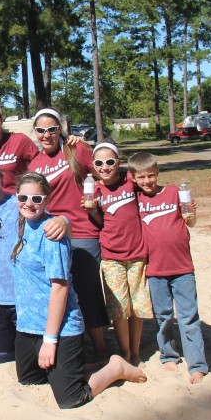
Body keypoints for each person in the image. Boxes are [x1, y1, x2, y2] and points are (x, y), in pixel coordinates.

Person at [10, 172, 147, 409]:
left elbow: (60, 288)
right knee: (30, 378)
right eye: (23, 197)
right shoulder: (22, 223)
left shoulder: (52, 233)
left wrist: (50, 340)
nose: (29, 203)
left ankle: (115, 368)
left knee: (70, 398)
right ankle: (84, 366)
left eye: (37, 199)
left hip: (59, 328)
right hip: (28, 324)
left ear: (47, 200)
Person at [0, 156, 68, 363]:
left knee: (33, 358)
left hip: (25, 298)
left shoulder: (18, 203)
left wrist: (63, 220)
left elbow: (47, 218)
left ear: (2, 176)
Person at [28, 108, 108, 358]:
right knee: (59, 290)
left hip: (83, 231)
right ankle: (72, 344)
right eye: (41, 130)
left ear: (60, 131)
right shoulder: (36, 163)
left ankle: (101, 347)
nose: (47, 134)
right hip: (53, 233)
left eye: (52, 129)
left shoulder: (76, 150)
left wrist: (96, 203)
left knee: (87, 290)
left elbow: (104, 176)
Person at [128, 152, 208, 384]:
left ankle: (197, 365)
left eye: (151, 175)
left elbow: (190, 221)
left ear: (158, 173)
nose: (147, 181)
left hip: (182, 267)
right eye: (141, 177)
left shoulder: (174, 192)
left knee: (188, 317)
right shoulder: (136, 199)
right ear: (134, 178)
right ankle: (169, 355)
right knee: (163, 316)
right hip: (154, 271)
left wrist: (191, 212)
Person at [89, 144, 152, 365]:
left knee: (137, 307)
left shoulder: (129, 182)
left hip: (137, 254)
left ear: (118, 163)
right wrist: (92, 210)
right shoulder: (94, 190)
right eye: (99, 163)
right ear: (93, 166)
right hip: (111, 256)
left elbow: (149, 187)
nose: (104, 167)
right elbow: (101, 222)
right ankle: (124, 351)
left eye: (109, 162)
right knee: (119, 310)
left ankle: (135, 351)